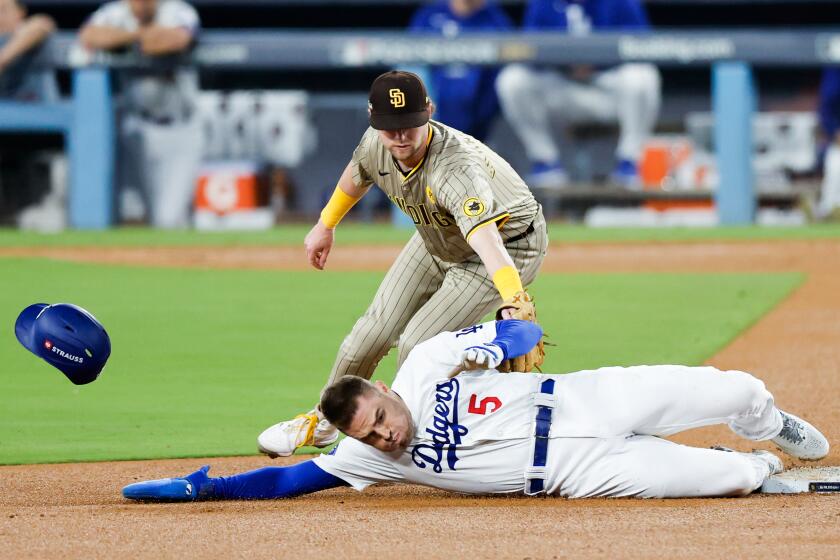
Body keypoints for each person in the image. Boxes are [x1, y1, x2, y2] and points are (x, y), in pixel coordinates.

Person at [123, 319, 830, 501]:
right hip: (579, 470)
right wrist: (200, 488)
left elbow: (519, 334)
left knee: (735, 388)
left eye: (381, 418)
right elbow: (285, 481)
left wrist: (501, 345)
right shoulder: (367, 457)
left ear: (387, 391)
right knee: (736, 482)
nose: (386, 436)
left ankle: (766, 427)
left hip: (588, 395)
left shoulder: (428, 362)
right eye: (370, 434)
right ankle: (748, 460)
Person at [256, 70, 548, 458]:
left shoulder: (455, 169)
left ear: (429, 110)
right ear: (373, 119)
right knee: (367, 336)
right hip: (437, 235)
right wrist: (326, 224)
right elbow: (358, 174)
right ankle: (324, 422)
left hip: (504, 247)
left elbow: (485, 239)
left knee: (417, 344)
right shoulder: (377, 143)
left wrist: (513, 296)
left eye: (409, 123)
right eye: (389, 127)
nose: (399, 136)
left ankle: (410, 440)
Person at [496, 0, 661, 189]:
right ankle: (545, 161)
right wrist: (565, 58)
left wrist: (597, 58)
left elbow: (642, 45)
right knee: (513, 79)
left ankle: (629, 161)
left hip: (607, 88)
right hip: (562, 88)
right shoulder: (542, 3)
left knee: (643, 75)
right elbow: (529, 51)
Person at [79, 0, 202, 228]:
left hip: (181, 128)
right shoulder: (114, 12)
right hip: (137, 127)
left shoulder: (178, 10)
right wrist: (141, 35)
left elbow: (177, 39)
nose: (141, 5)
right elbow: (88, 36)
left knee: (170, 218)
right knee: (142, 213)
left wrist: (122, 40)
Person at [409, 0, 512, 142]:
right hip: (432, 114)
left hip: (478, 118)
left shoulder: (495, 19)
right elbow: (409, 60)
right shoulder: (429, 15)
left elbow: (499, 76)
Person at [0, 0, 57, 101]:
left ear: (21, 11)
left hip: (35, 106)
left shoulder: (33, 28)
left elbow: (41, 25)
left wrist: (3, 59)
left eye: (3, 10)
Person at [817, 68, 840, 222]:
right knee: (834, 167)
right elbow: (827, 104)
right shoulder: (834, 71)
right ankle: (828, 210)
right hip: (837, 139)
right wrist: (834, 130)